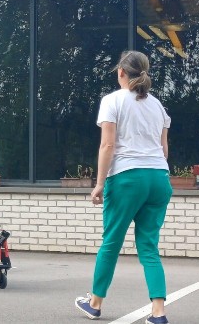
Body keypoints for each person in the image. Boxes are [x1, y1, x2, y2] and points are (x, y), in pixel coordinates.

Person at [74, 51, 172, 324]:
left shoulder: (112, 100)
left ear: (121, 72)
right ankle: (158, 311)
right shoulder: (158, 107)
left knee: (111, 242)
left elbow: (108, 145)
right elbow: (164, 150)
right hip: (159, 179)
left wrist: (100, 183)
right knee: (149, 246)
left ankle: (94, 303)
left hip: (127, 178)